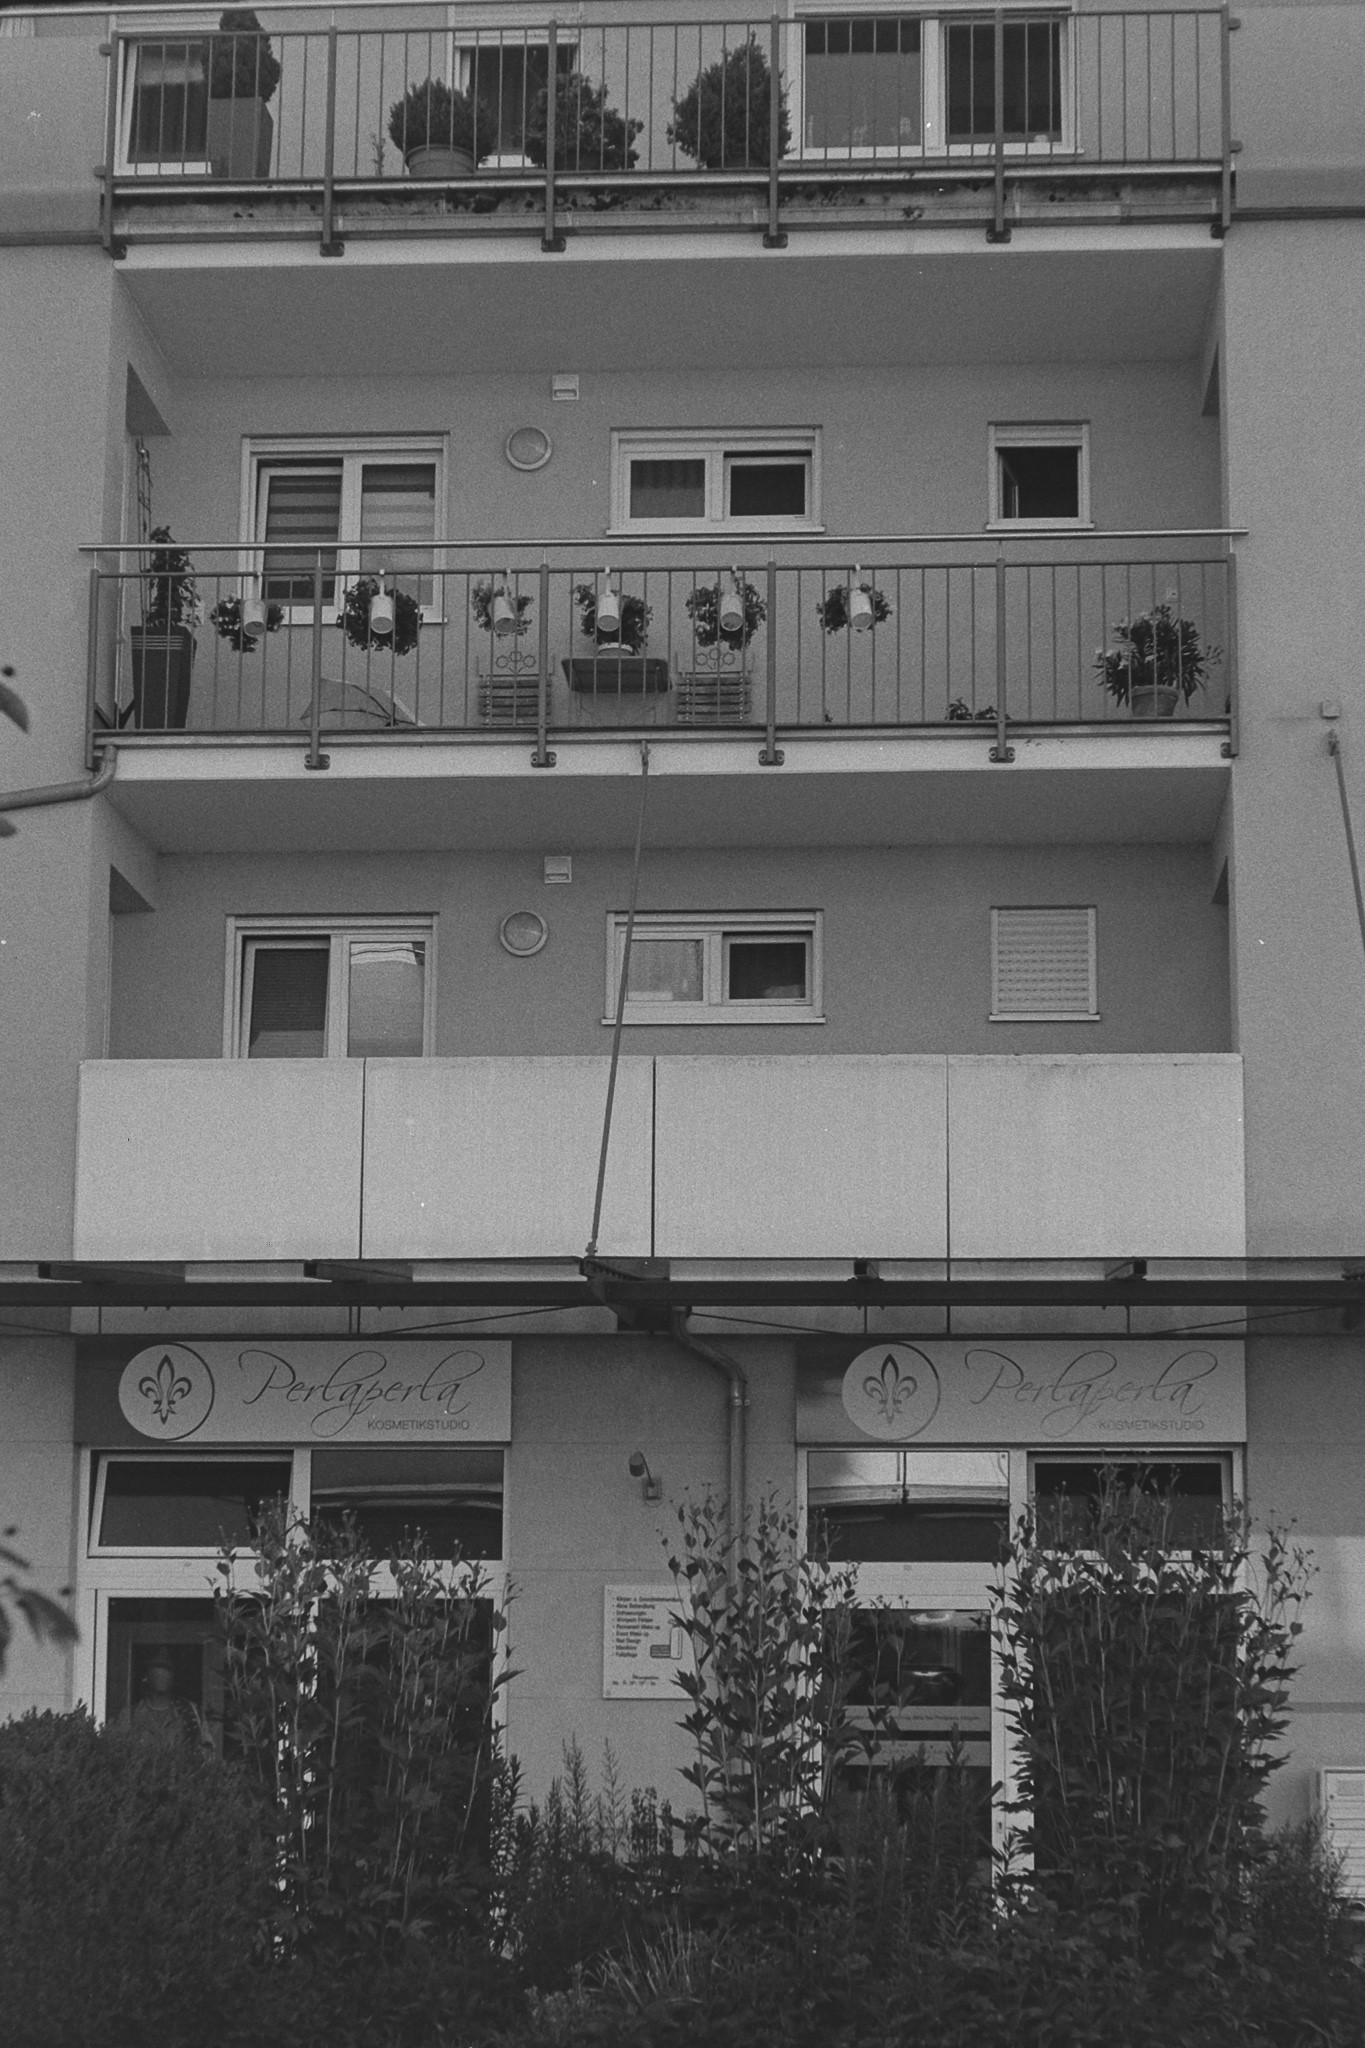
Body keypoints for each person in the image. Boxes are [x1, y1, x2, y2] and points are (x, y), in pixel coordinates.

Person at [122, 1650, 208, 1751]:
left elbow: (206, 1749)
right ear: (147, 1676)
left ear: (173, 1677)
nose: (162, 1675)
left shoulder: (190, 1712)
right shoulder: (132, 1714)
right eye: (157, 1670)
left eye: (167, 1670)